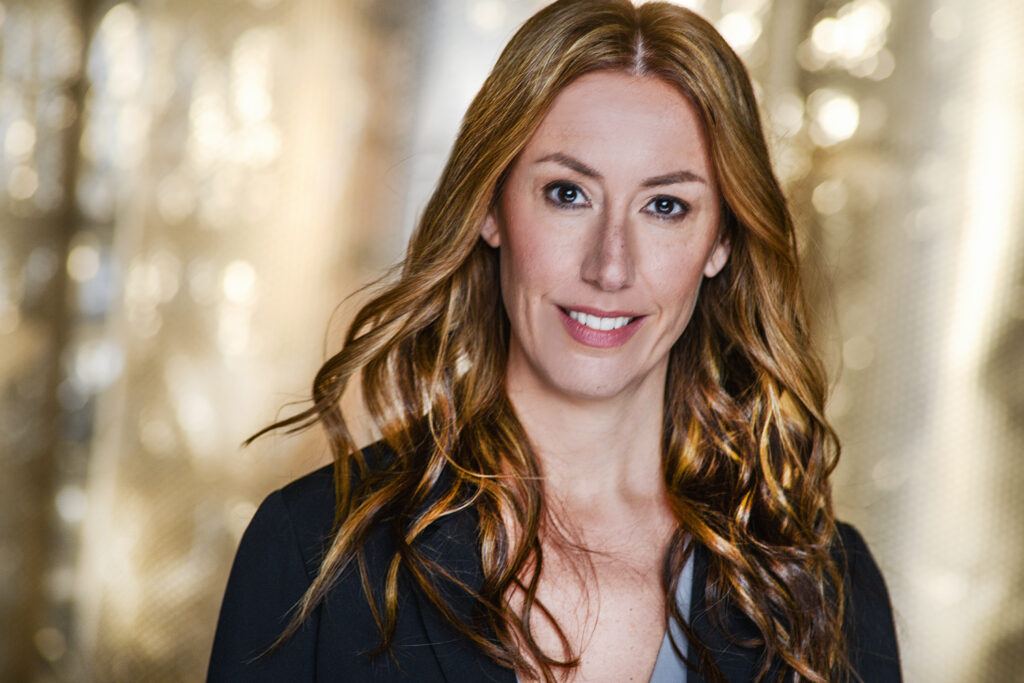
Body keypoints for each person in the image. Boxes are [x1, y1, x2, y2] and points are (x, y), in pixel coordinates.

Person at [207, 1, 901, 681]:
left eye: (665, 206)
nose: (610, 265)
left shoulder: (823, 588)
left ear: (720, 240)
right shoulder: (314, 551)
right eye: (569, 193)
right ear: (491, 208)